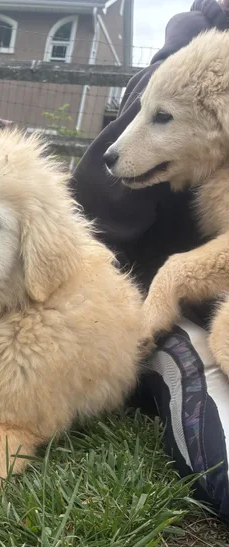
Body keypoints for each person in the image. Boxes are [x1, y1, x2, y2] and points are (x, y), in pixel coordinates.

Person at [71, 0, 229, 520]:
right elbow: (100, 194)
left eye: (159, 119)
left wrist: (176, 277)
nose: (123, 144)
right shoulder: (197, 43)